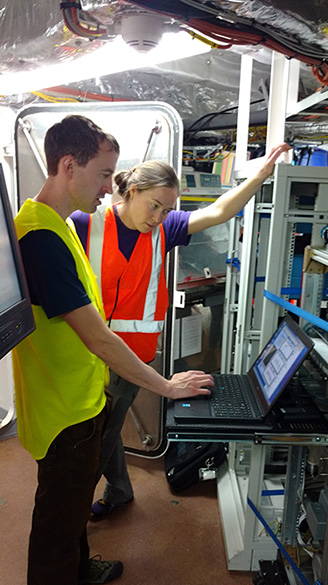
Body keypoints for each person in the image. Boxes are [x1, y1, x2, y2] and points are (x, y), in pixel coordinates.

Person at [12, 114, 214, 585]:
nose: (110, 187)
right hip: (63, 403)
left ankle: (78, 571)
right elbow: (99, 337)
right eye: (103, 174)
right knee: (57, 517)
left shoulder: (58, 222)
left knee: (76, 497)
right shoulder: (41, 237)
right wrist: (166, 388)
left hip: (80, 393)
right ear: (67, 164)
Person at [70, 141, 291, 521]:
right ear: (131, 191)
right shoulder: (83, 223)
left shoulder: (166, 229)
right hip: (83, 354)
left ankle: (84, 505)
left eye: (167, 209)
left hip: (130, 359)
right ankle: (120, 491)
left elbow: (221, 211)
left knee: (103, 435)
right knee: (101, 434)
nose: (159, 216)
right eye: (154, 205)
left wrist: (260, 176)